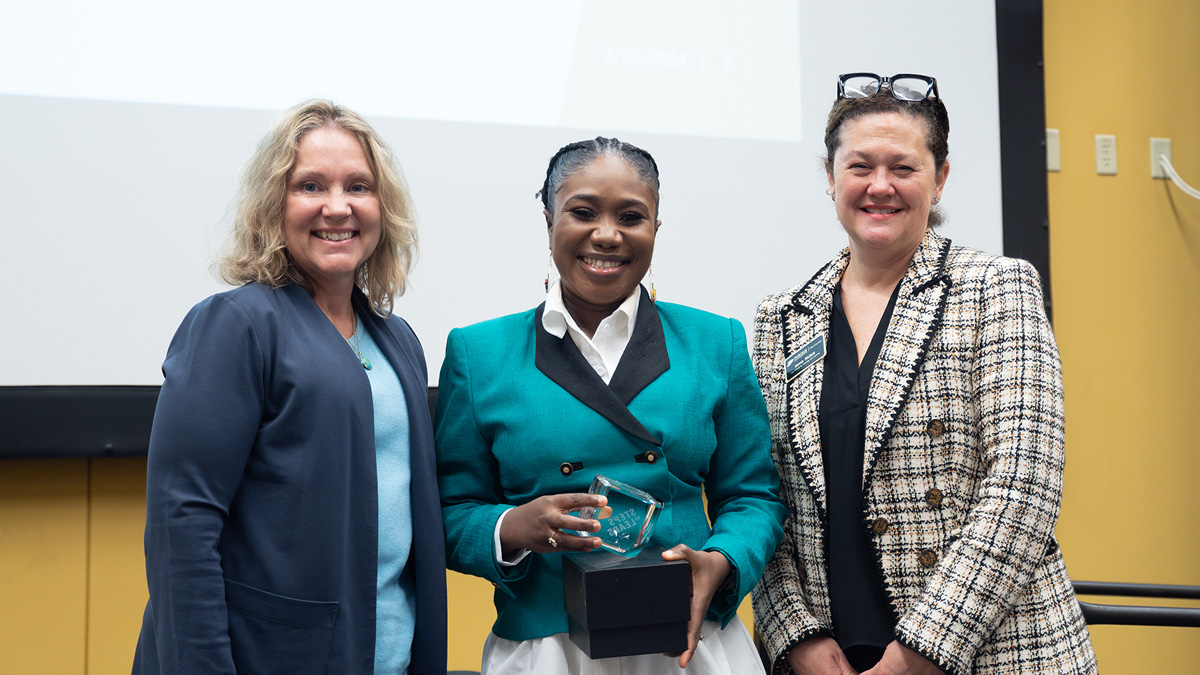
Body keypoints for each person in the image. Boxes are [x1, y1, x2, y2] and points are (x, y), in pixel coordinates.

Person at [750, 74, 1098, 675]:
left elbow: (1023, 487)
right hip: (833, 659)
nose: (879, 186)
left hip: (987, 653)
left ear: (938, 181)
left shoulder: (996, 287)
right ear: (829, 177)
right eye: (859, 165)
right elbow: (762, 494)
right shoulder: (779, 318)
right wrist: (793, 634)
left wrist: (921, 651)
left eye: (903, 168)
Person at [435, 137, 787, 674]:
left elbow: (754, 496)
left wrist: (720, 562)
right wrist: (512, 527)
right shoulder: (477, 353)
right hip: (547, 650)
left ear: (655, 229)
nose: (606, 234)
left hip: (690, 646)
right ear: (549, 219)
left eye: (631, 216)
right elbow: (452, 512)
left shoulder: (717, 341)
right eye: (582, 212)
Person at [133, 100, 447, 675]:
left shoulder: (398, 340)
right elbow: (183, 526)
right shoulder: (234, 325)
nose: (337, 206)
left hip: (391, 656)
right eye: (309, 186)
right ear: (272, 206)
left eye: (359, 186)